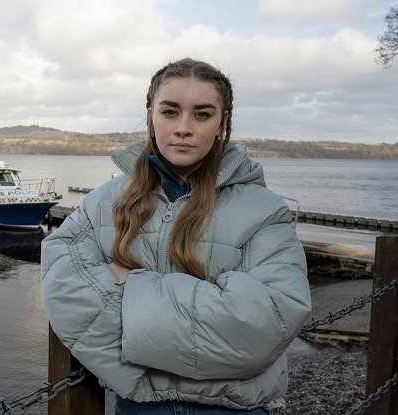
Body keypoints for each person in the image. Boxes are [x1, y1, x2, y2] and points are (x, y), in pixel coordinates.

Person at [41, 58, 312, 414]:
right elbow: (63, 290)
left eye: (202, 115)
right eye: (170, 112)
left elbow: (264, 327)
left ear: (223, 122)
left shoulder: (264, 211)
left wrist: (130, 287)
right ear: (151, 115)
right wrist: (210, 314)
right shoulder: (103, 202)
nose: (183, 128)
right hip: (138, 407)